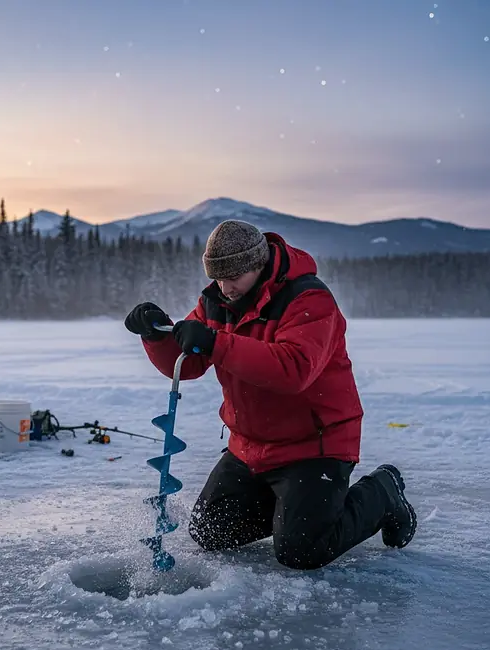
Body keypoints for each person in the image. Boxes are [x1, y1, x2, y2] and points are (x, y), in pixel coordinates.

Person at [124, 219, 417, 570]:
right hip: (251, 446)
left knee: (301, 550)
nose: (225, 286)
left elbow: (293, 369)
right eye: (218, 277)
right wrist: (156, 336)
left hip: (313, 445)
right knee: (209, 531)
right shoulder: (216, 302)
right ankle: (288, 507)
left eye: (233, 277)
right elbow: (188, 364)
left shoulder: (309, 300)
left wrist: (216, 342)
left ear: (258, 265)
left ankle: (382, 493)